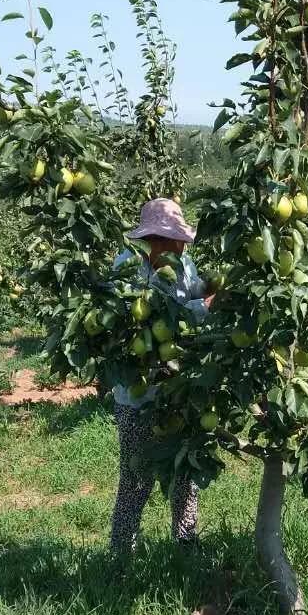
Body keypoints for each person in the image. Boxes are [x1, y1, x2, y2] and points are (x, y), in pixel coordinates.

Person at [109, 197, 214, 555]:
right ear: (157, 241)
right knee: (136, 475)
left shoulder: (182, 263)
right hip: (138, 394)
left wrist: (210, 292)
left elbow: (192, 293)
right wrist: (201, 310)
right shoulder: (128, 268)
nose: (184, 245)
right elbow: (174, 314)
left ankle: (185, 541)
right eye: (176, 239)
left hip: (177, 388)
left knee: (185, 472)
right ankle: (122, 549)